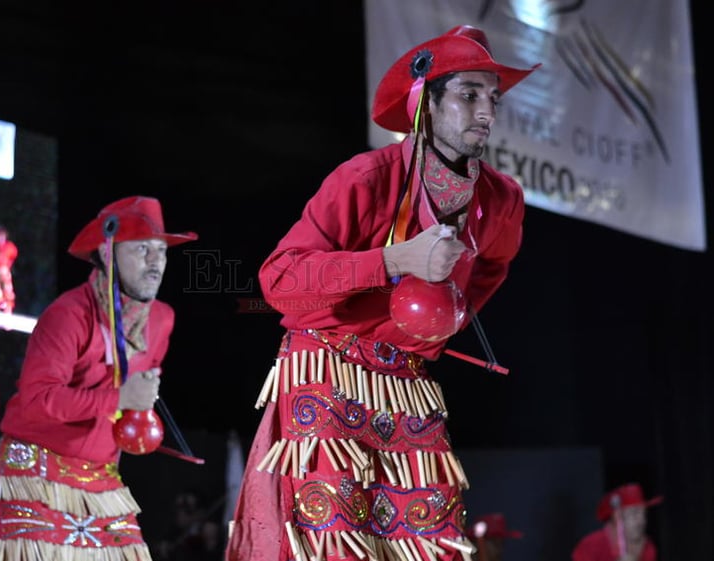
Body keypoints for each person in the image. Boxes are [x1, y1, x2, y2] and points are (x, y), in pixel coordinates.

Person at [225, 25, 540, 561]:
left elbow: (495, 265)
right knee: (335, 539)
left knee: (428, 537)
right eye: (469, 95)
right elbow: (278, 280)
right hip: (327, 367)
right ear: (425, 102)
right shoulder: (364, 179)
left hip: (407, 380)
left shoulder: (501, 199)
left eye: (492, 97)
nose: (486, 111)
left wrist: (451, 318)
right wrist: (393, 260)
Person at [0, 196, 198, 561]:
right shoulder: (68, 314)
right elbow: (37, 400)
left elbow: (136, 396)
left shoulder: (162, 319)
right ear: (108, 252)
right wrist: (120, 398)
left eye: (161, 251)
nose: (156, 261)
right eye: (142, 249)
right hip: (35, 466)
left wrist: (139, 418)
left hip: (99, 474)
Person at [571, 482, 663, 561]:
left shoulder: (648, 547)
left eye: (643, 514)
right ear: (617, 517)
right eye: (634, 514)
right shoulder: (591, 545)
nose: (642, 520)